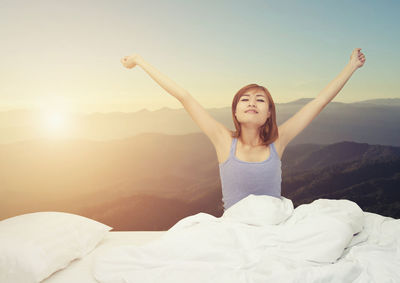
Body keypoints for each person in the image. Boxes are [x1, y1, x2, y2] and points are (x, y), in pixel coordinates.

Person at [120, 48, 366, 211]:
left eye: (260, 99)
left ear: (269, 112)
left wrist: (351, 66)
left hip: (273, 226)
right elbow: (184, 96)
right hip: (235, 229)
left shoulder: (278, 142)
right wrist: (140, 61)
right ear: (235, 111)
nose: (251, 102)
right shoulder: (223, 141)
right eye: (245, 99)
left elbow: (318, 102)